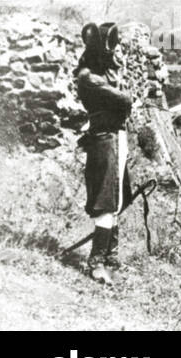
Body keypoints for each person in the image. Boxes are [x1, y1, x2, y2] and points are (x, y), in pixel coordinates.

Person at [75, 22, 136, 284]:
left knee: (116, 200)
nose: (119, 52)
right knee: (105, 201)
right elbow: (125, 100)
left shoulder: (101, 73)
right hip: (104, 140)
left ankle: (111, 257)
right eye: (113, 48)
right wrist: (127, 96)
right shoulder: (88, 78)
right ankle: (96, 262)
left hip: (115, 138)